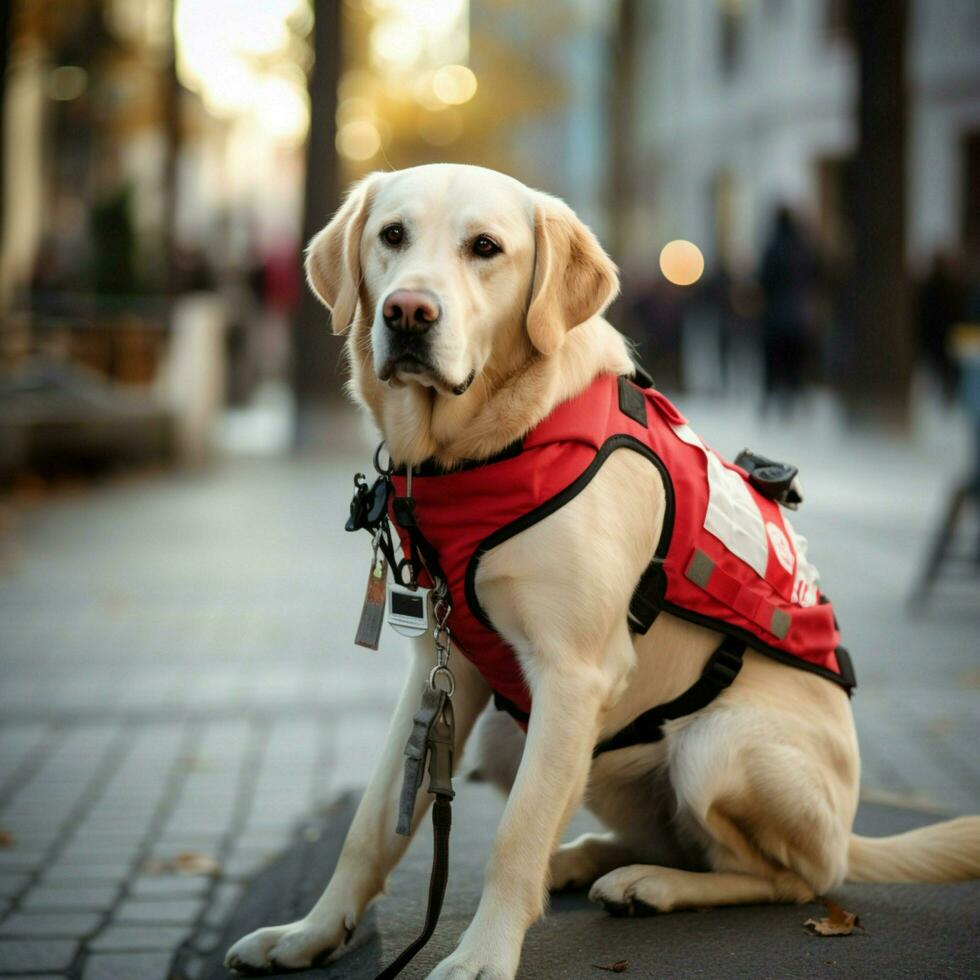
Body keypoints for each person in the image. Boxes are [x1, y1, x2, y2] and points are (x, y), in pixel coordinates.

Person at [758, 206, 819, 415]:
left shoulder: (773, 248)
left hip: (776, 318)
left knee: (774, 365)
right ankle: (798, 403)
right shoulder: (803, 248)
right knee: (797, 366)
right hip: (800, 317)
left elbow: (764, 280)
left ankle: (772, 403)